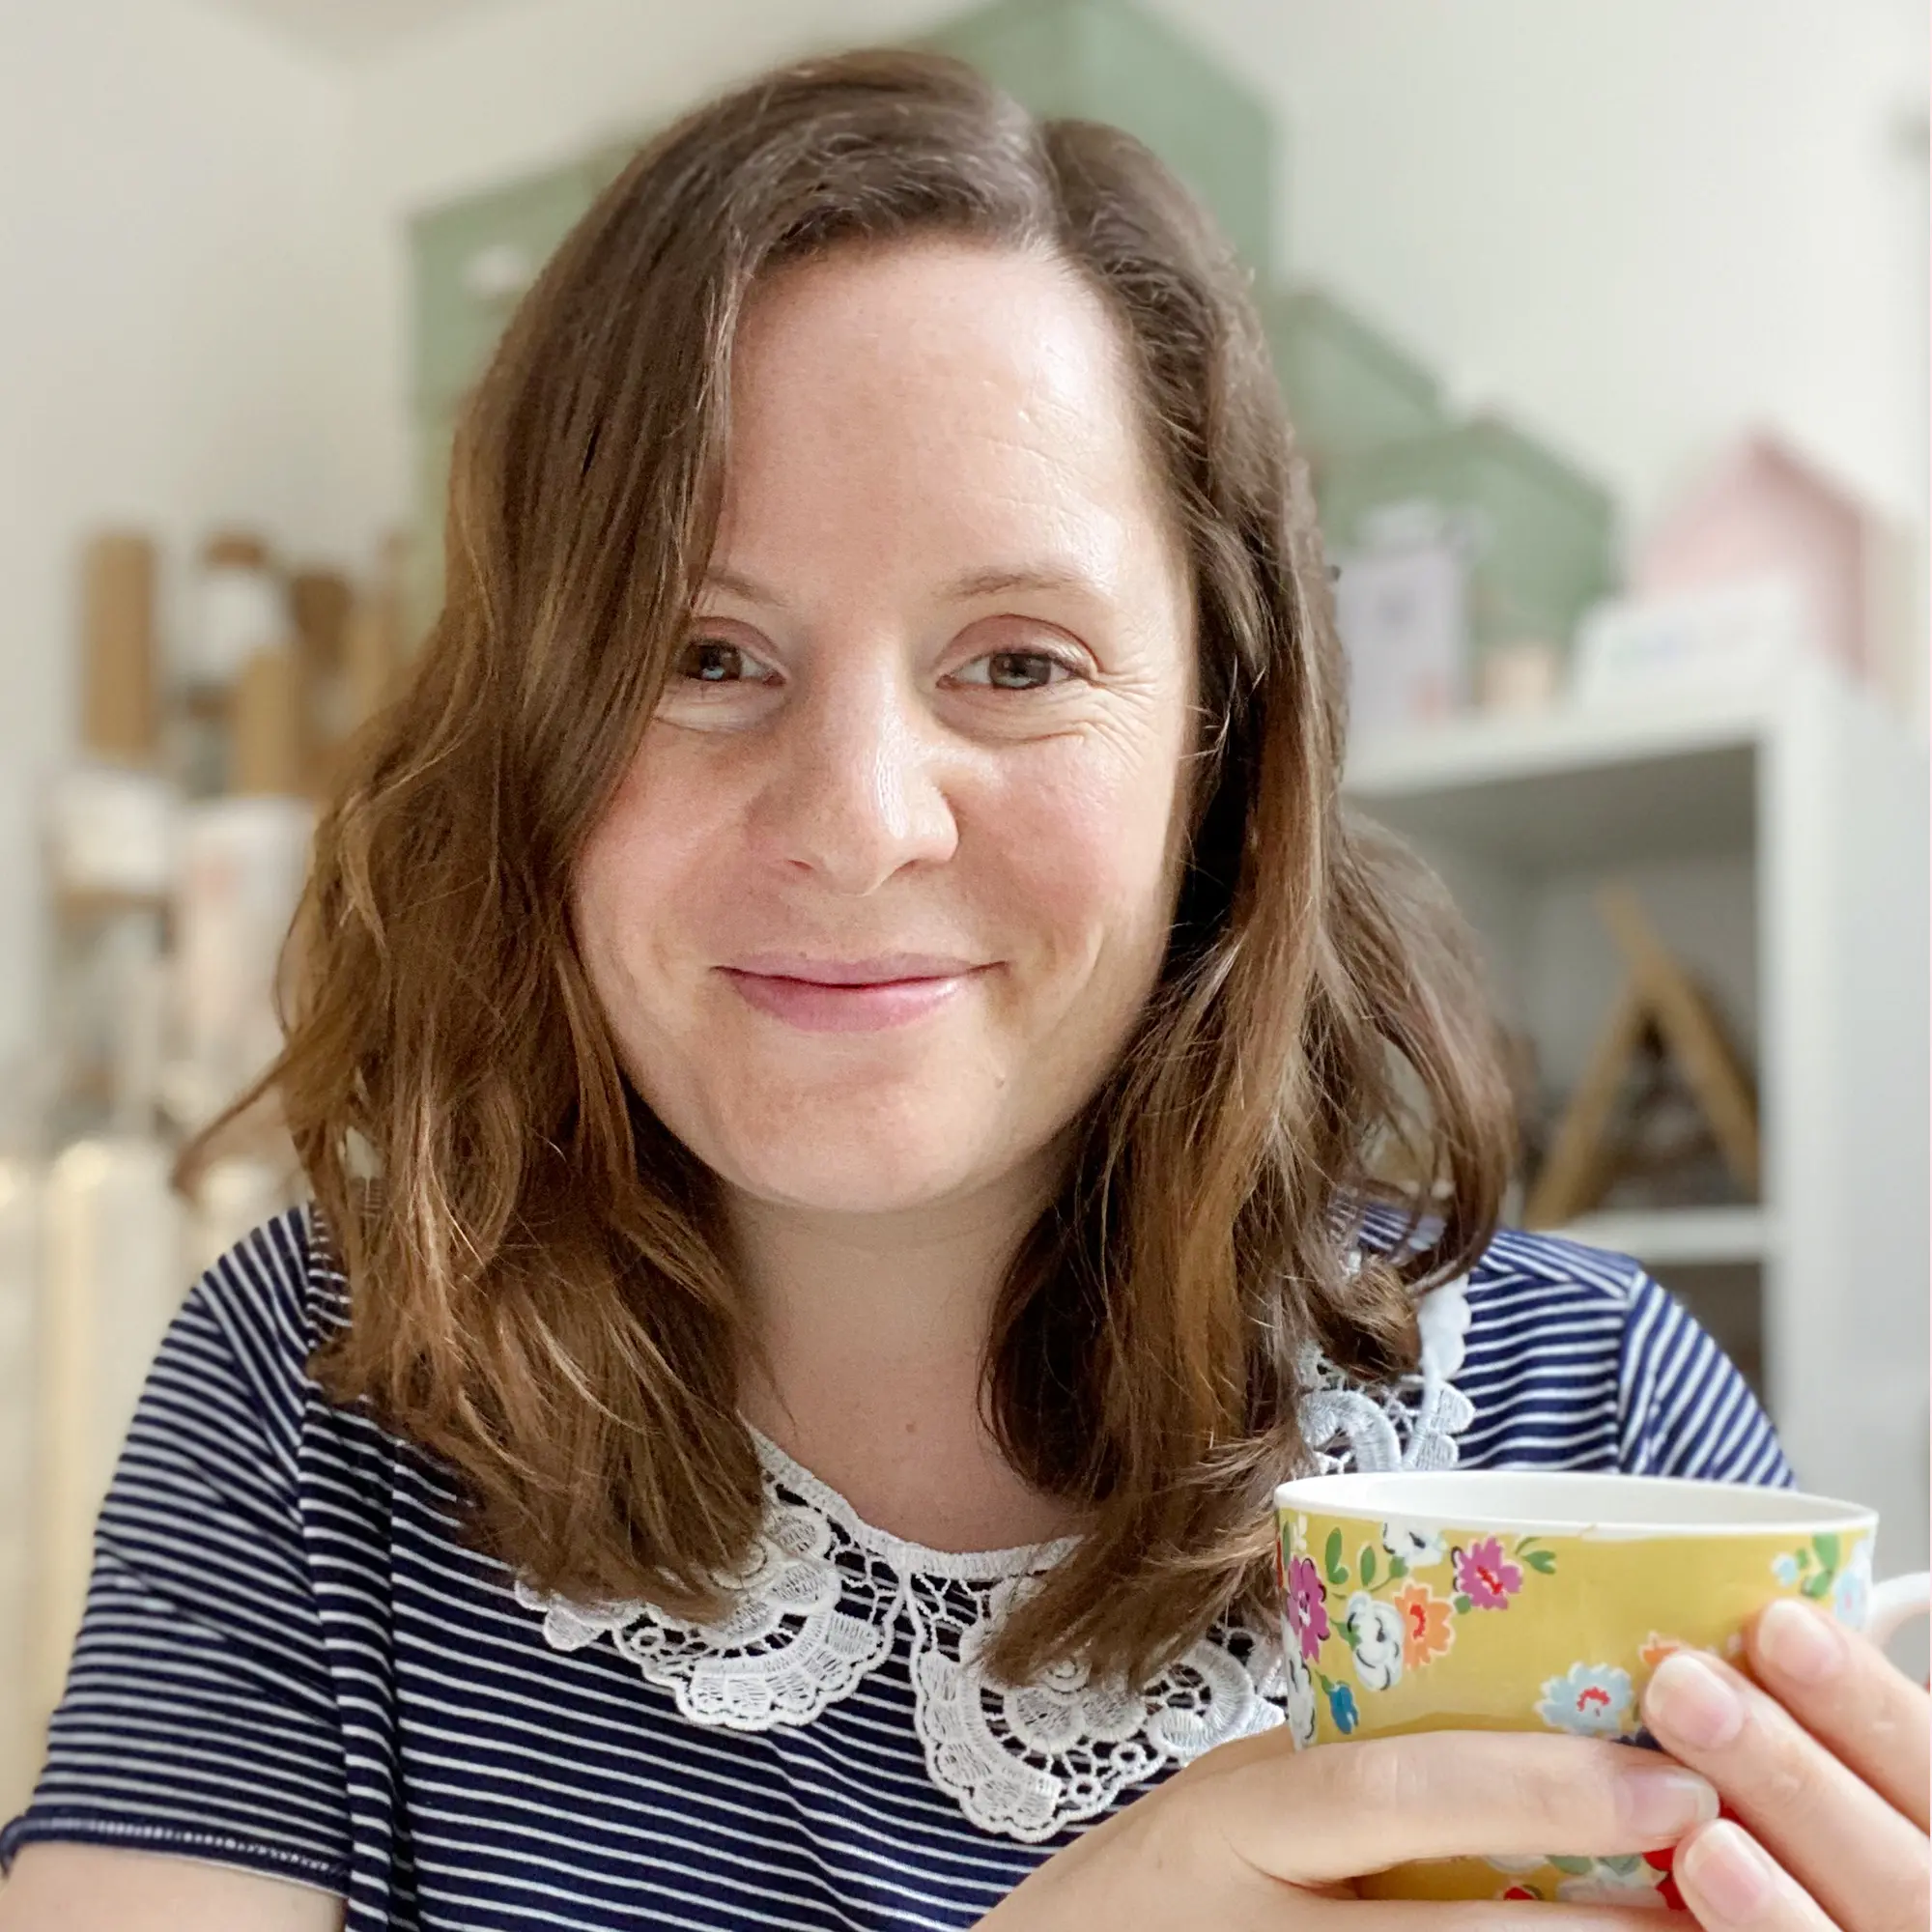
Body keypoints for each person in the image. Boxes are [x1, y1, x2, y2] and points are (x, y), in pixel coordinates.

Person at [2, 46, 1925, 1932]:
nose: (854, 823)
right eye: (701, 651)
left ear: (1218, 746)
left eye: (1016, 662)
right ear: (528, 740)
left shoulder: (1588, 1410)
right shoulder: (311, 1392)